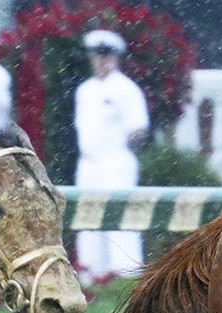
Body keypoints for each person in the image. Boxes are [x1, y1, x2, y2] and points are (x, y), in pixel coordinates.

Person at [73, 29, 149, 285]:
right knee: (87, 216)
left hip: (115, 160)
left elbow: (138, 128)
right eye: (96, 55)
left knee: (121, 215)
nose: (101, 61)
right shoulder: (85, 90)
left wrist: (118, 145)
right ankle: (93, 271)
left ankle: (125, 270)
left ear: (115, 58)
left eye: (105, 55)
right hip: (89, 163)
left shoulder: (126, 88)